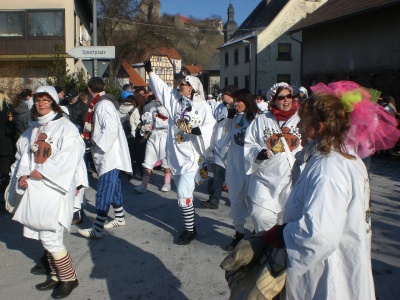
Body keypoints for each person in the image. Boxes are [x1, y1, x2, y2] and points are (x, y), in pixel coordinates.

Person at [261, 80, 400, 299]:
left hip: (328, 278)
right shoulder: (346, 158)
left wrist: (282, 235)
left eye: (303, 123)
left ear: (318, 128)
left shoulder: (328, 169)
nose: (298, 128)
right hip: (341, 265)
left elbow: (319, 235)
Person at [12, 86, 84, 299]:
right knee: (43, 234)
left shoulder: (65, 127)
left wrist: (42, 172)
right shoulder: (33, 129)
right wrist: (23, 175)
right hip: (36, 187)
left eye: (45, 100)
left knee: (52, 236)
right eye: (38, 100)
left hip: (54, 186)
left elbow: (70, 156)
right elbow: (23, 157)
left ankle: (69, 278)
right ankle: (55, 275)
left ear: (53, 102)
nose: (41, 104)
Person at [144, 59, 216, 245]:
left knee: (183, 194)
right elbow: (162, 89)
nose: (179, 87)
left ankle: (189, 230)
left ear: (191, 88)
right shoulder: (176, 103)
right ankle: (191, 226)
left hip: (192, 158)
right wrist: (151, 73)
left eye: (182, 85)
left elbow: (211, 127)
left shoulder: (202, 106)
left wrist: (197, 131)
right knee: (185, 195)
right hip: (176, 156)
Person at [78, 77, 132, 239]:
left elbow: (110, 129)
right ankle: (120, 217)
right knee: (113, 187)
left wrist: (94, 141)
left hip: (109, 155)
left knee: (104, 190)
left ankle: (98, 228)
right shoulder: (103, 103)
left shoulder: (102, 105)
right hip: (107, 154)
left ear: (89, 89)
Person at [244, 83, 301, 233]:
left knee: (288, 220)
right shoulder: (261, 120)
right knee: (261, 216)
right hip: (265, 179)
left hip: (291, 180)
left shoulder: (301, 119)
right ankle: (267, 245)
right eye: (281, 97)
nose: (286, 100)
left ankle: (281, 252)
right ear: (273, 100)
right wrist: (258, 152)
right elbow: (249, 143)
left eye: (289, 96)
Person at [216, 88, 259, 251]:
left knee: (256, 201)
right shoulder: (235, 118)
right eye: (234, 100)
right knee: (236, 200)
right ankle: (239, 232)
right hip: (235, 167)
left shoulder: (257, 119)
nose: (234, 103)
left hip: (252, 168)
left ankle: (257, 234)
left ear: (246, 101)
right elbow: (225, 138)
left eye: (238, 101)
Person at [201, 85, 236, 209]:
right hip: (220, 144)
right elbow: (215, 124)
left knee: (233, 175)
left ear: (230, 95)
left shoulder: (238, 107)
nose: (221, 96)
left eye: (223, 94)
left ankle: (235, 199)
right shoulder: (219, 107)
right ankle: (213, 200)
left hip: (233, 146)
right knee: (218, 173)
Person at [133, 97, 172, 193]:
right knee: (148, 160)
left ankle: (167, 183)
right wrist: (145, 127)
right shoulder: (152, 110)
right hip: (153, 136)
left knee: (166, 161)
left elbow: (170, 122)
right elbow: (147, 122)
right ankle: (144, 185)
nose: (157, 99)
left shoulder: (170, 109)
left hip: (165, 136)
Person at [0, 90, 16, 194]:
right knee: (5, 166)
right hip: (6, 140)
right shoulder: (9, 107)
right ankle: (3, 188)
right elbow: (12, 121)